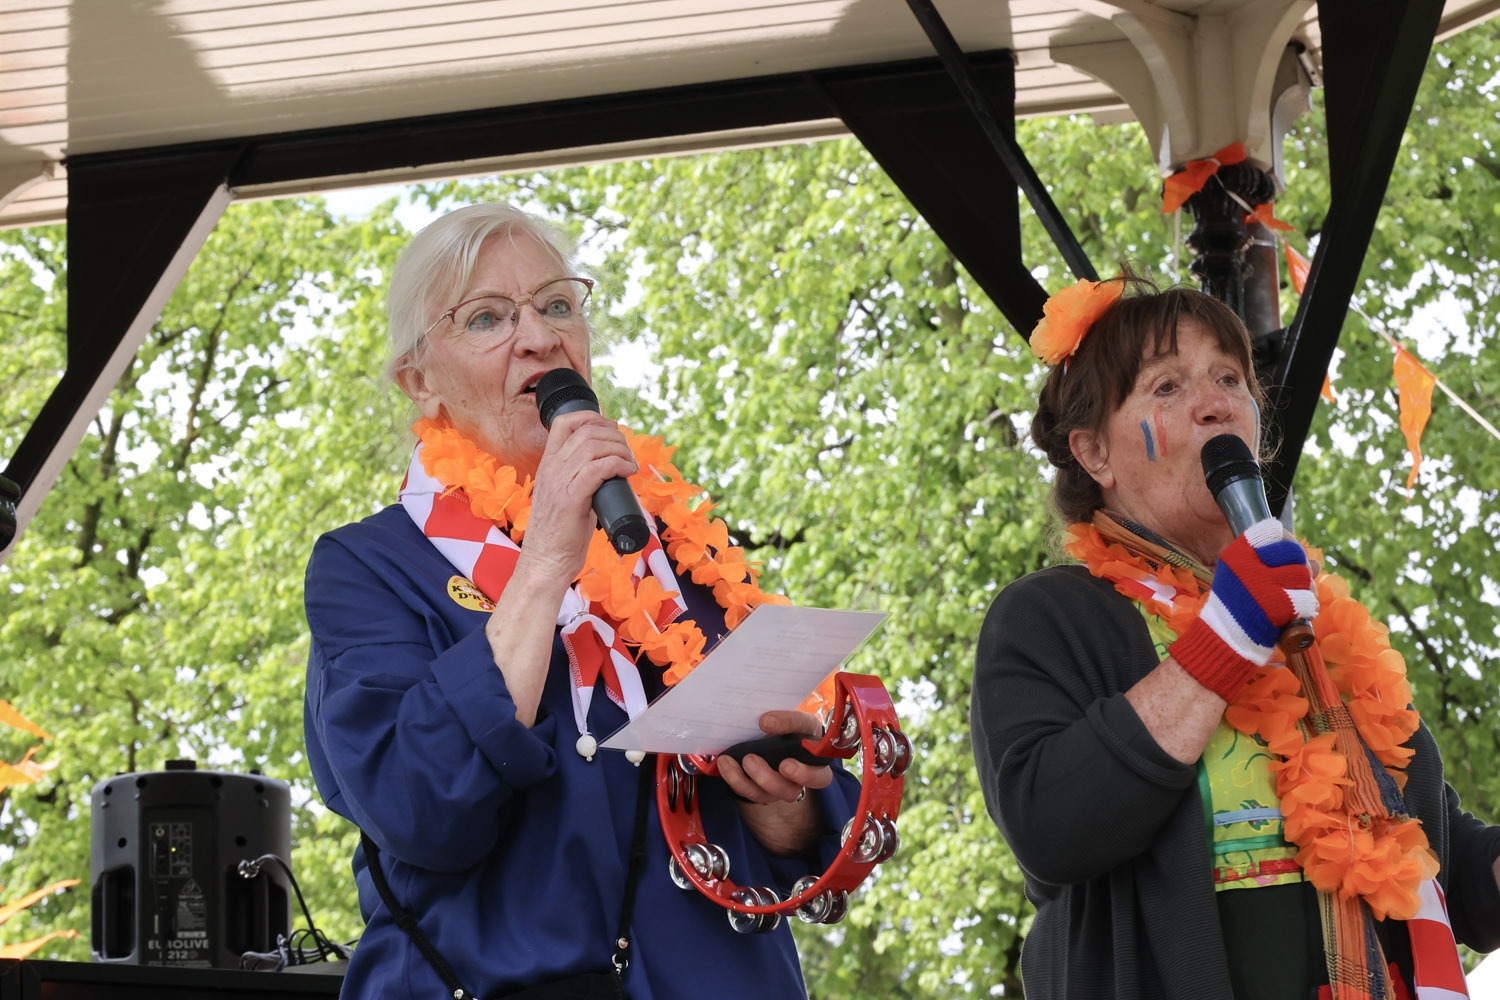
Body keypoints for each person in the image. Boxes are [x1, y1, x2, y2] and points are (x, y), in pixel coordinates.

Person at [303, 203, 860, 999]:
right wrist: (545, 567)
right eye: (488, 317)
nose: (540, 337)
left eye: (558, 304)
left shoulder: (669, 546)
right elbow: (419, 806)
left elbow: (813, 830)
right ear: (418, 379)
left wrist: (787, 816)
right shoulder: (369, 567)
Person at [970, 275, 1500, 999]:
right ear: (1094, 454)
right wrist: (1225, 640)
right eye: (1166, 387)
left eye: (1230, 377)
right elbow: (1050, 825)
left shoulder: (1318, 626)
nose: (1216, 401)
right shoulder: (1051, 616)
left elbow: (1442, 860)